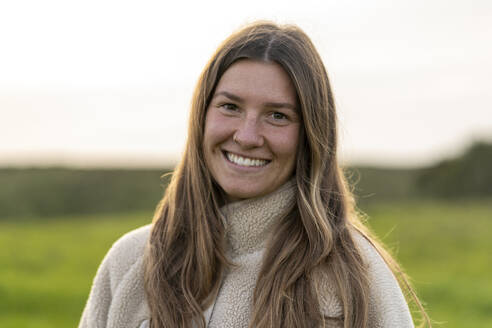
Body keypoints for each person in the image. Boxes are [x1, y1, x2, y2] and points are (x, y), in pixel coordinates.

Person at [79, 21, 429, 328]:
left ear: (310, 134)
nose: (246, 136)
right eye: (230, 107)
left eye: (277, 115)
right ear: (201, 117)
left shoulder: (356, 277)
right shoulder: (130, 260)